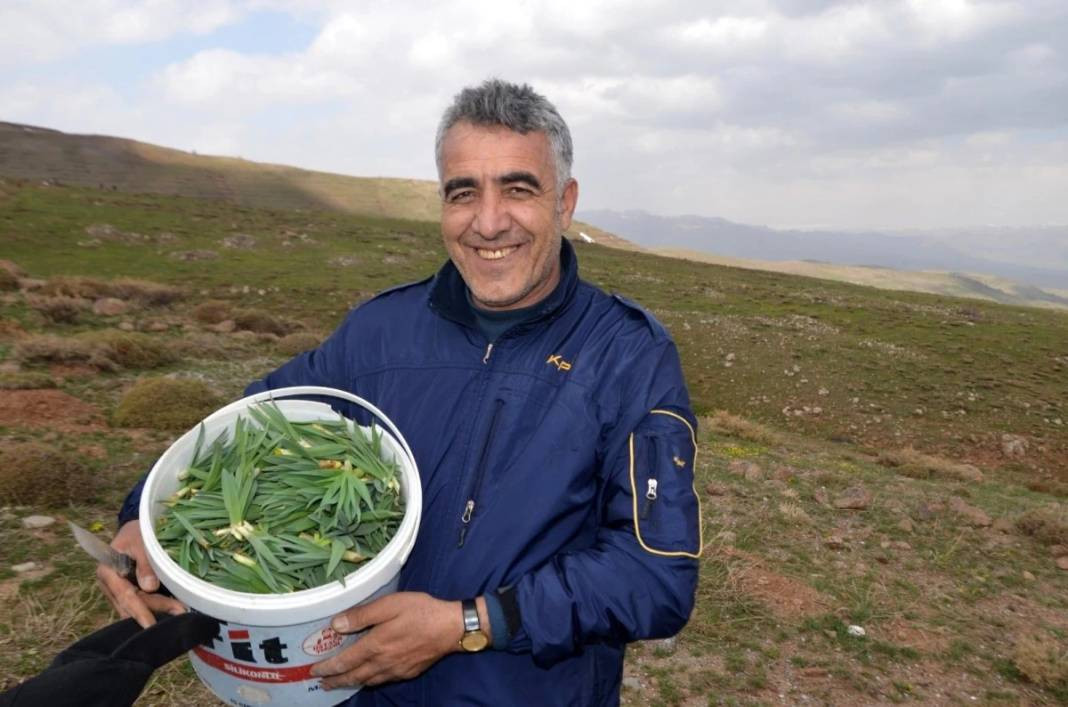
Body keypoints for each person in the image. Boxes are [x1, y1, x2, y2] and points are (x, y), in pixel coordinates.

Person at [99, 78, 702, 706]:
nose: (488, 222)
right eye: (463, 193)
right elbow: (250, 421)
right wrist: (144, 519)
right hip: (357, 690)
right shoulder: (382, 331)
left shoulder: (628, 354)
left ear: (565, 203)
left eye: (518, 189)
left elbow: (655, 576)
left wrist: (469, 624)